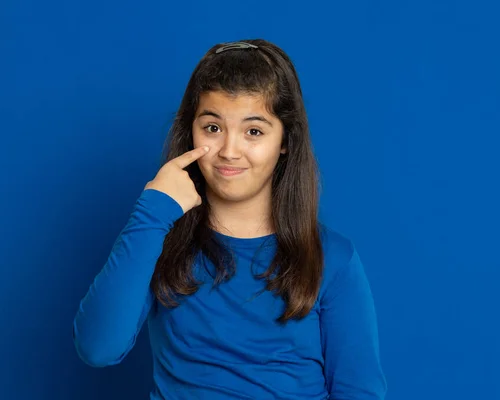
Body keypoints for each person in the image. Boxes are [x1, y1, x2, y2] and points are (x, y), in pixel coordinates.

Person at [73, 39, 387, 400]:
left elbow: (358, 392)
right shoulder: (158, 239)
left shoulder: (332, 258)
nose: (229, 151)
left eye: (253, 131)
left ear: (284, 140)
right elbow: (98, 348)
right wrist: (152, 211)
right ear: (190, 129)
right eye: (212, 127)